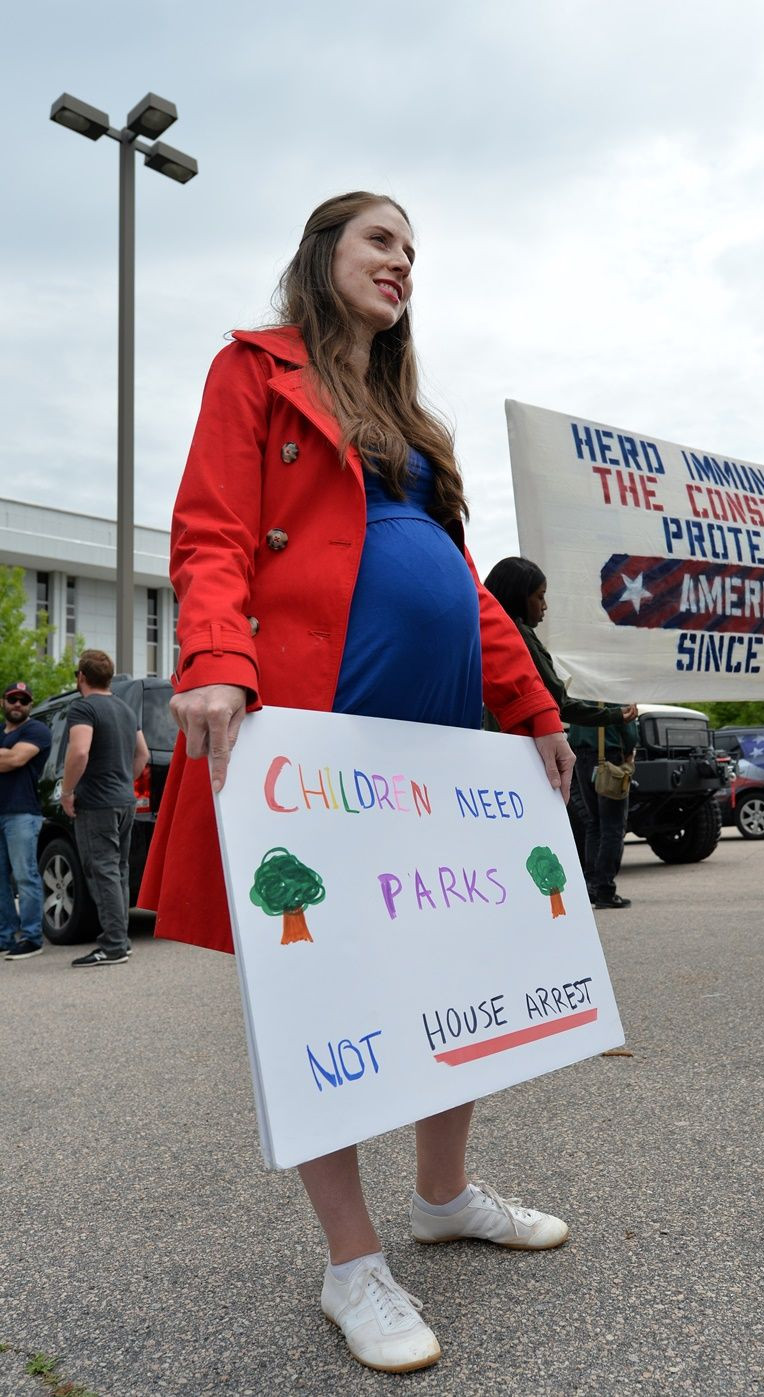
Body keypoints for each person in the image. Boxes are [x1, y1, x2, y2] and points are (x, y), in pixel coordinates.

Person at [138, 194, 577, 1375]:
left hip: (440, 738)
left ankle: (442, 1194)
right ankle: (351, 1260)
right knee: (317, 988)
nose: (402, 262)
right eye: (380, 240)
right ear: (321, 254)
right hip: (314, 734)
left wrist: (531, 705)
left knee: (460, 963)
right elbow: (211, 532)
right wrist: (218, 662)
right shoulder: (255, 370)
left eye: (414, 251)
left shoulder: (413, 422)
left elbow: (465, 583)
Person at [481, 556, 639, 908]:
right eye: (539, 595)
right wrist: (617, 717)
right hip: (525, 755)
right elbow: (557, 702)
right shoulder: (517, 637)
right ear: (518, 596)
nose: (545, 605)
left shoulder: (487, 635)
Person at [61, 651, 149, 968]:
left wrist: (67, 791)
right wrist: (125, 779)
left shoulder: (83, 707)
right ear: (109, 678)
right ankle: (119, 940)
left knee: (103, 871)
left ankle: (113, 945)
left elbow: (79, 752)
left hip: (97, 803)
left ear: (81, 677)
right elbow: (143, 754)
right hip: (124, 800)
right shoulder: (125, 710)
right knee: (118, 871)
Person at [0, 682, 52, 962]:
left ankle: (32, 937)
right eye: (12, 699)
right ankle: (4, 936)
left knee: (25, 876)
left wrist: (9, 757)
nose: (18, 704)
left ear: (30, 704)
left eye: (23, 699)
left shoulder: (37, 730)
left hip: (22, 813)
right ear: (3, 702)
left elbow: (15, 759)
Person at [565, 713, 639, 908]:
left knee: (593, 823)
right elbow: (629, 730)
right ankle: (605, 889)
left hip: (582, 760)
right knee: (612, 826)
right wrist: (630, 750)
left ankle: (591, 886)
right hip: (609, 759)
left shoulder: (580, 691)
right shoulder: (612, 690)